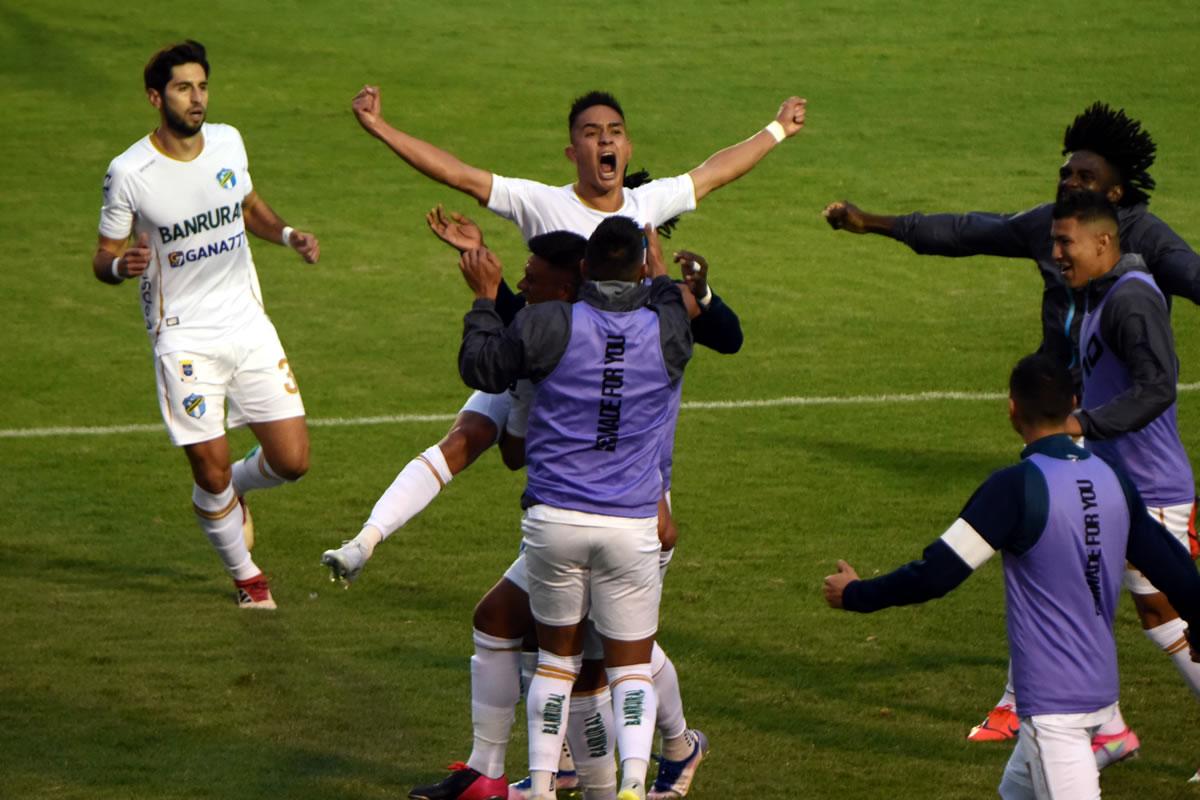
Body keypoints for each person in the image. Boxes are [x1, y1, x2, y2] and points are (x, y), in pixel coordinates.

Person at [823, 100, 1200, 741]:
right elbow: (968, 231)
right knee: (1060, 575)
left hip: (1140, 473)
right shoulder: (1061, 241)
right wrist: (875, 224)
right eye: (1065, 173)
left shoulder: (1136, 271)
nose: (1067, 187)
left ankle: (1081, 718)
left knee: (1163, 604)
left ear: (1111, 207)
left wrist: (1084, 425)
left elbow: (1163, 366)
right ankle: (1078, 717)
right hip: (1084, 455)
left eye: (1083, 179)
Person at [823, 352, 1200, 799]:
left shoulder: (1014, 487)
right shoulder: (1113, 478)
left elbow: (936, 574)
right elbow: (1175, 569)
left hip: (1054, 710)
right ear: (1074, 403)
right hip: (1099, 693)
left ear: (1011, 410)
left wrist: (856, 594)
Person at [457, 216, 691, 800]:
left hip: (555, 520)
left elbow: (481, 367)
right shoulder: (668, 333)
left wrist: (486, 299)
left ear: (583, 269)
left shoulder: (549, 323)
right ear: (639, 266)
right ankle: (633, 787)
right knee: (630, 669)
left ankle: (538, 787)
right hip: (631, 524)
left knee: (556, 664)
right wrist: (654, 261)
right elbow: (667, 295)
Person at [93, 40, 320, 609]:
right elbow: (103, 255)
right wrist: (123, 265)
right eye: (183, 88)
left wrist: (289, 235)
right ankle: (247, 579)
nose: (197, 99)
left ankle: (239, 490)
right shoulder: (129, 172)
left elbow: (246, 207)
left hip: (247, 324)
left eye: (202, 86)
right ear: (155, 97)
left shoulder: (228, 141)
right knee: (208, 468)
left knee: (293, 461)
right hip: (183, 336)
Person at [1053, 192, 1200, 777]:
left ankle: (1101, 727)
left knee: (1170, 612)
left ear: (1104, 242)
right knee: (1076, 598)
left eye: (1065, 242)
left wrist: (1083, 424)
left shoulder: (1130, 299)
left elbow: (1157, 387)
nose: (1056, 253)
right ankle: (1104, 727)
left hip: (1153, 490)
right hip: (1116, 483)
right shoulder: (1099, 296)